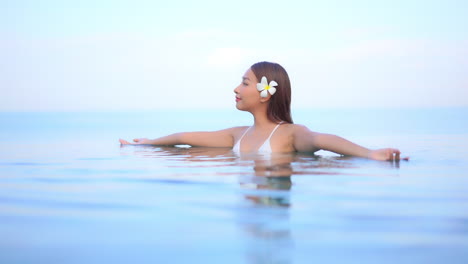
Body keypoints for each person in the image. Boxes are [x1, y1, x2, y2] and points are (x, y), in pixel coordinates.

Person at [120, 61, 408, 161]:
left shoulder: (289, 134)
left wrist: (371, 154)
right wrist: (147, 144)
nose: (236, 89)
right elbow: (185, 137)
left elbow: (324, 140)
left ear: (266, 93)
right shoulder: (238, 135)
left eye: (244, 83)